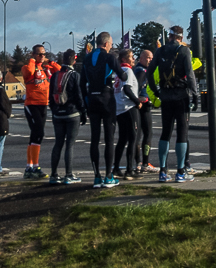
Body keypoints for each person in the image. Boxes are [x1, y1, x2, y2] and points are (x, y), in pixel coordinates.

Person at [81, 31, 132, 188]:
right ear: (106, 43)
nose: (111, 46)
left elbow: (82, 83)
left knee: (94, 139)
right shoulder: (110, 57)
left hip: (92, 99)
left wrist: (86, 102)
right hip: (107, 98)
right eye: (110, 44)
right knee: (109, 138)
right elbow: (122, 76)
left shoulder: (87, 58)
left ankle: (96, 176)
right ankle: (108, 176)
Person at [150, 26, 198, 183]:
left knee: (166, 132)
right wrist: (195, 94)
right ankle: (181, 171)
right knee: (182, 132)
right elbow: (190, 74)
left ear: (169, 36)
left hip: (165, 96)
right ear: (181, 37)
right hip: (181, 96)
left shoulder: (160, 51)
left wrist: (155, 91)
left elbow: (149, 72)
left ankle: (163, 171)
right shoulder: (184, 51)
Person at [21, 44, 60, 179]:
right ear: (34, 55)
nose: (42, 56)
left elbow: (59, 71)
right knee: (38, 133)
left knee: (36, 136)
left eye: (44, 54)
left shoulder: (45, 69)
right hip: (32, 105)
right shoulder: (28, 67)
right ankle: (34, 166)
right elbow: (30, 72)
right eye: (40, 54)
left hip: (43, 104)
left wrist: (50, 62)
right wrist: (33, 60)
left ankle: (30, 167)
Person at [48, 50, 86, 185]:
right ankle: (68, 174)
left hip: (58, 114)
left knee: (58, 143)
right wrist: (83, 112)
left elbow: (50, 98)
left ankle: (53, 174)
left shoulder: (55, 75)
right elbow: (79, 96)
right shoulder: (75, 75)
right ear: (74, 61)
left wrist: (54, 110)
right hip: (72, 113)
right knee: (69, 145)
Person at [112, 49, 142, 179]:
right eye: (131, 57)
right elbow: (127, 88)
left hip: (119, 108)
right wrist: (137, 101)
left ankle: (116, 167)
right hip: (129, 107)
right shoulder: (128, 71)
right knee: (133, 139)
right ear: (124, 59)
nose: (133, 59)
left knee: (122, 139)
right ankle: (130, 169)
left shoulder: (117, 72)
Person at [133, 49, 156, 172]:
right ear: (141, 58)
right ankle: (143, 163)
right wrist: (138, 99)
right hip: (142, 106)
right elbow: (136, 86)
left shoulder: (139, 70)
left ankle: (139, 163)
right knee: (146, 134)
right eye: (148, 58)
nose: (150, 60)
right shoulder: (141, 71)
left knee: (140, 135)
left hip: (141, 105)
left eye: (151, 58)